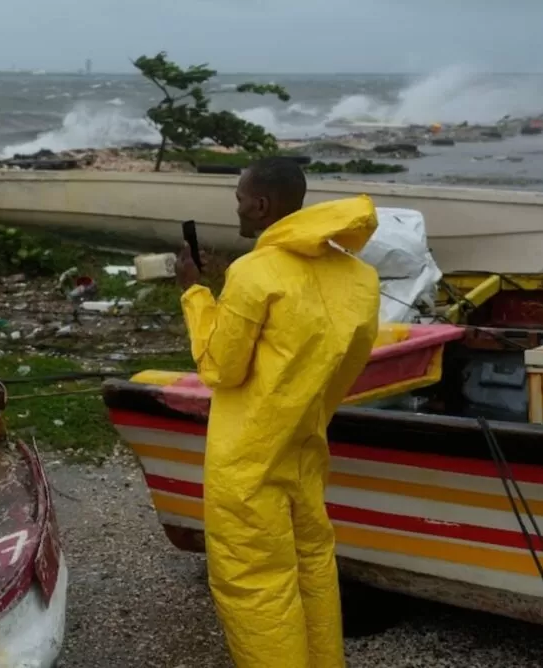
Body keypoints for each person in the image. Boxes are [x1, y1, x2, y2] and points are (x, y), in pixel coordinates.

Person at [174, 157, 381, 668]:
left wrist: (194, 293)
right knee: (313, 564)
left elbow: (221, 367)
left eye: (241, 199)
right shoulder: (359, 278)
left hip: (248, 459)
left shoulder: (256, 271)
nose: (239, 207)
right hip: (306, 444)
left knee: (256, 584)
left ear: (261, 204)